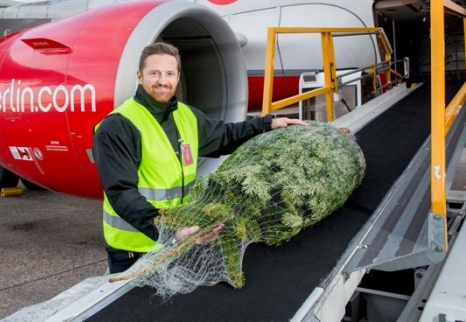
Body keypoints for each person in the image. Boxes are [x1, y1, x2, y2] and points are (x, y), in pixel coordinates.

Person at [93, 42, 307, 273]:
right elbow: (121, 193)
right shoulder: (118, 126)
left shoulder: (185, 115)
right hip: (136, 250)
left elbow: (225, 136)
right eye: (154, 73)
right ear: (140, 76)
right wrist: (168, 230)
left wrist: (266, 124)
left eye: (169, 74)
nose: (162, 81)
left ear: (177, 77)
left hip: (181, 240)